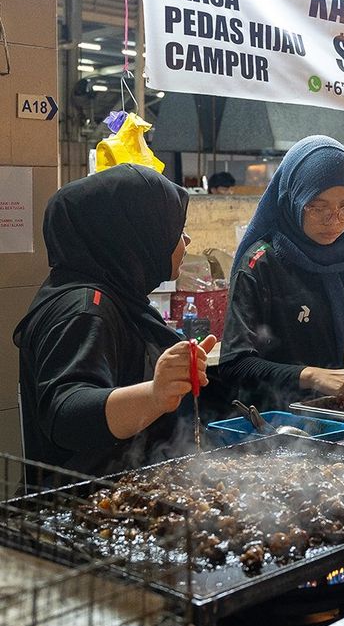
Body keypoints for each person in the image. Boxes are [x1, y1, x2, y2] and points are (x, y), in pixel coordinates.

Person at [13, 165, 216, 477]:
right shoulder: (84, 308)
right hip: (85, 507)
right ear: (135, 235)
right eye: (175, 229)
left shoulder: (116, 295)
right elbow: (66, 412)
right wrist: (154, 395)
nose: (186, 239)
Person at [219, 136, 344, 409]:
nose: (334, 219)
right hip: (289, 431)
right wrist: (308, 376)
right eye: (318, 207)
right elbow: (235, 365)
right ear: (292, 200)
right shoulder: (262, 264)